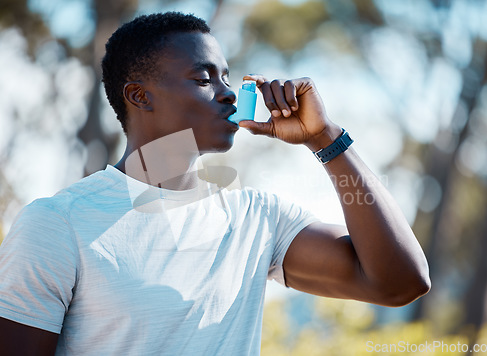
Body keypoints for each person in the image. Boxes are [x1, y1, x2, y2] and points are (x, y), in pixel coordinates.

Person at [0, 12, 430, 356]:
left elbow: (401, 282)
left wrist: (327, 140)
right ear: (140, 96)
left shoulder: (259, 219)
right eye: (204, 79)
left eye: (227, 77)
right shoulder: (57, 224)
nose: (227, 93)